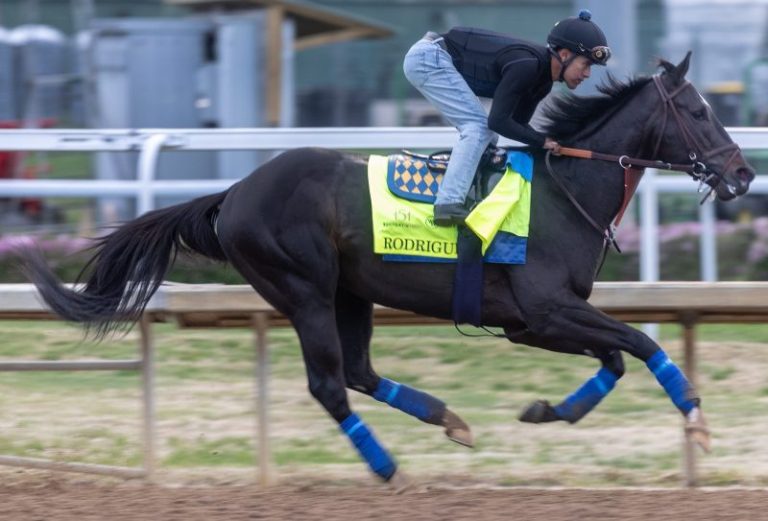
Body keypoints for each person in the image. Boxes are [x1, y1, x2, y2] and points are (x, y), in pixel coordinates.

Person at [403, 9, 611, 226]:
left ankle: (470, 195)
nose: (587, 74)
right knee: (479, 128)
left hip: (434, 55)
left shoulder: (542, 83)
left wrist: (548, 141)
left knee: (487, 137)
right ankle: (447, 204)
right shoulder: (527, 66)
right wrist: (542, 141)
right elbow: (498, 121)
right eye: (586, 64)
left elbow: (517, 125)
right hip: (429, 57)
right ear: (565, 55)